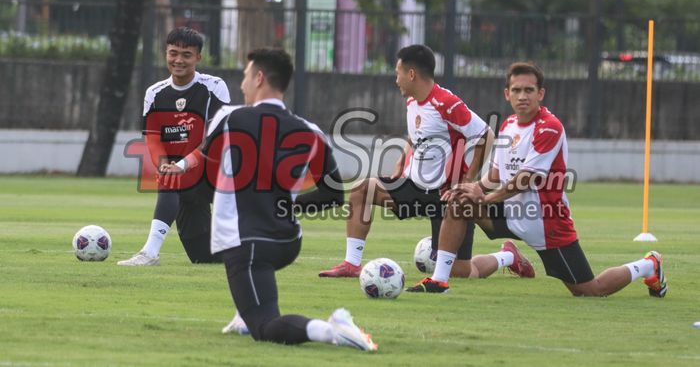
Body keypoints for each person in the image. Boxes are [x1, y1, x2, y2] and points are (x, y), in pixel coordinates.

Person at [169, 48, 377, 350]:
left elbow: (203, 159)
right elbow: (334, 194)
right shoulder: (311, 131)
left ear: (259, 78)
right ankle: (242, 315)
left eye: (245, 76)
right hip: (288, 241)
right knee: (252, 286)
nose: (242, 84)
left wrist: (179, 170)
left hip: (246, 241)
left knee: (265, 326)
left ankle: (332, 329)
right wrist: (288, 206)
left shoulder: (229, 117)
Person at [406, 62, 667, 298]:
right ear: (506, 94)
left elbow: (525, 179)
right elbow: (496, 175)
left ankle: (649, 265)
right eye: (516, 90)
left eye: (529, 90)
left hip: (546, 221)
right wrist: (472, 188)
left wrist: (484, 198)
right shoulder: (508, 125)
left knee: (589, 290)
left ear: (540, 94)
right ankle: (439, 281)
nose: (522, 96)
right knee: (459, 203)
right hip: (510, 211)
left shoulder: (549, 127)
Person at [319, 44, 533, 280]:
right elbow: (418, 133)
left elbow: (486, 136)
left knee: (461, 272)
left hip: (445, 195)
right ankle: (351, 264)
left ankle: (508, 256)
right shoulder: (412, 100)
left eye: (398, 73)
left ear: (411, 74)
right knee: (361, 190)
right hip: (413, 186)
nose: (396, 79)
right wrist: (403, 158)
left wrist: (468, 179)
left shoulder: (446, 103)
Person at [118, 27, 230, 266]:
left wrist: (182, 165)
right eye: (173, 53)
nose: (178, 60)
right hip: (183, 178)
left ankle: (149, 253)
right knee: (205, 259)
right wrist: (164, 164)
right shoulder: (155, 93)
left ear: (198, 57)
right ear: (165, 53)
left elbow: (215, 138)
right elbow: (153, 137)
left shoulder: (214, 87)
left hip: (218, 173)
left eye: (186, 55)